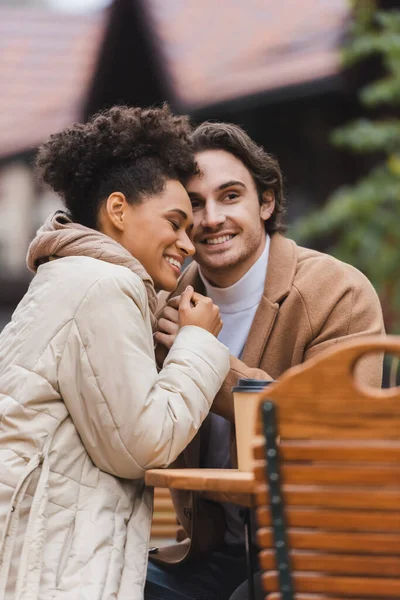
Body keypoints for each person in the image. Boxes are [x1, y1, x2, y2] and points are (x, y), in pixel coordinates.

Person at [146, 121, 385, 600]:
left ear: (267, 201)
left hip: (314, 552)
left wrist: (206, 359)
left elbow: (334, 442)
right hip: (206, 554)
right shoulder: (164, 301)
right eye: (194, 204)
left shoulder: (338, 292)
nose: (211, 218)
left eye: (230, 196)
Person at [0, 105, 231, 600]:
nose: (188, 244)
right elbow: (141, 445)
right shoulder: (104, 283)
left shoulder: (70, 274)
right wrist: (197, 342)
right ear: (118, 210)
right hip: (49, 564)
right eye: (175, 222)